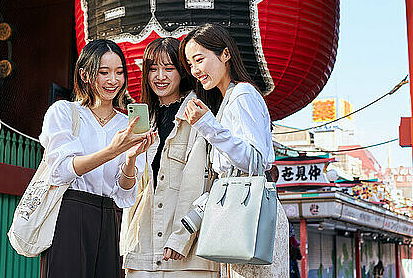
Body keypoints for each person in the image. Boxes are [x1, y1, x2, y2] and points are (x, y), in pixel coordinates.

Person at [39, 39, 155, 278]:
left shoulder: (126, 124)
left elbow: (124, 194)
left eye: (119, 72)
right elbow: (61, 170)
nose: (113, 80)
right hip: (70, 213)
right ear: (85, 74)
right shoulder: (64, 112)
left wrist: (131, 158)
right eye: (104, 72)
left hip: (110, 218)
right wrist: (112, 151)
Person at [180, 23, 290, 278]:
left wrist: (206, 126)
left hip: (248, 214)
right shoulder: (230, 98)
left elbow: (255, 158)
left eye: (199, 60)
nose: (196, 70)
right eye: (190, 64)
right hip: (239, 214)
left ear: (225, 54)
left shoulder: (242, 95)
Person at [122, 37, 219, 278]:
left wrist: (182, 235)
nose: (160, 76)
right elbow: (129, 190)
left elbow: (199, 183)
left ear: (183, 71)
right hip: (142, 252)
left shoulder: (197, 114)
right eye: (153, 68)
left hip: (188, 257)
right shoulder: (143, 120)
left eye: (168, 68)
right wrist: (130, 158)